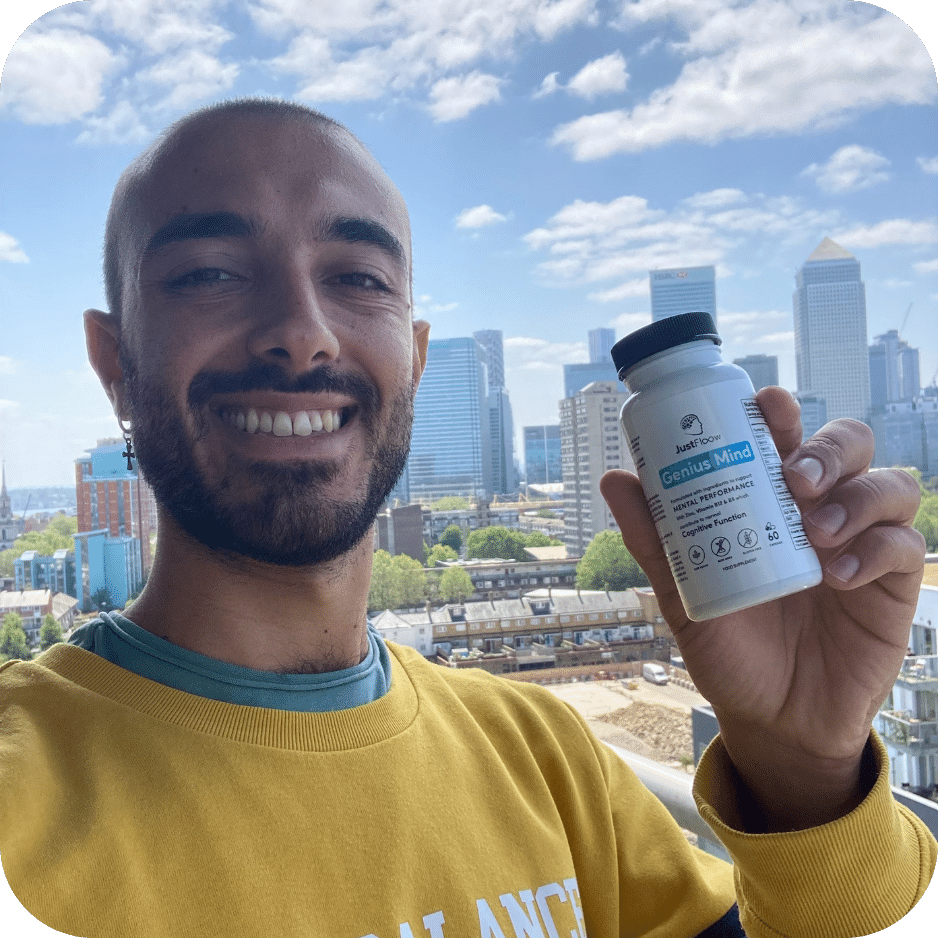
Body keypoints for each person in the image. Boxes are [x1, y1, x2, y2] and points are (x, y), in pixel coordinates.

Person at [0, 97, 934, 938]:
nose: (303, 328)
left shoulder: (549, 763)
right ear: (112, 356)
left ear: (411, 358)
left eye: (358, 277)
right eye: (209, 272)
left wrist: (805, 770)